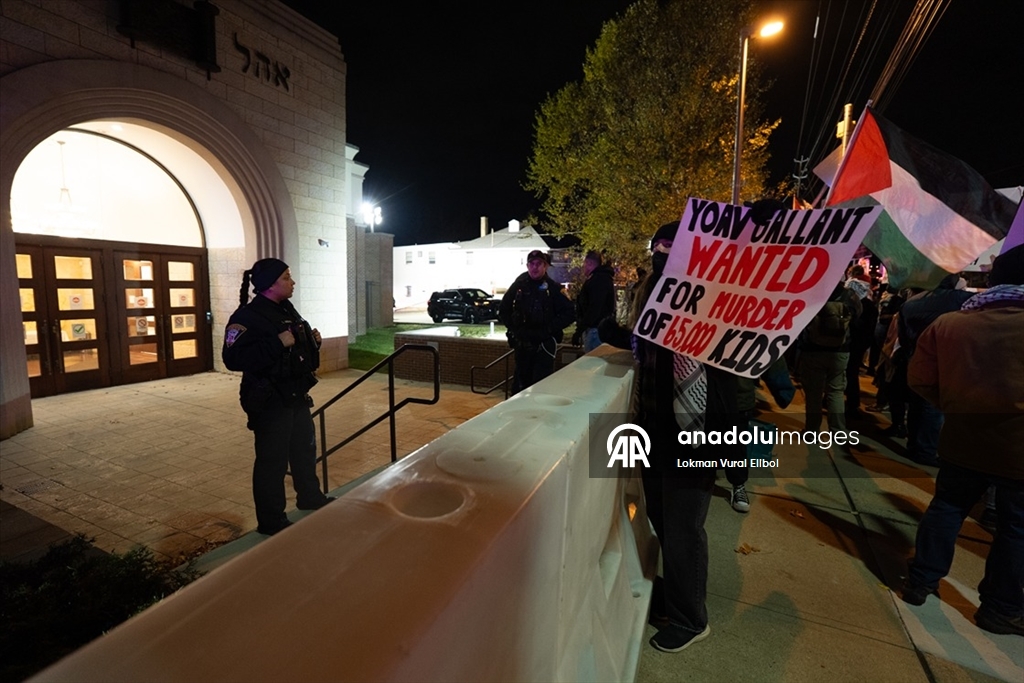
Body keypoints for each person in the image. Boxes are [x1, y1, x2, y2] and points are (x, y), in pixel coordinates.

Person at [601, 221, 743, 653]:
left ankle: (691, 618)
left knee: (683, 530)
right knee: (662, 522)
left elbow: (730, 373)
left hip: (696, 437)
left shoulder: (715, 303)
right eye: (657, 249)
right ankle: (678, 596)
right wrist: (614, 332)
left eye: (670, 248)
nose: (661, 256)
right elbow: (652, 346)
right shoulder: (653, 301)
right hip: (654, 432)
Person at [902, 245, 1024, 637]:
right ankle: (1001, 607)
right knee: (1015, 528)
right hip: (1018, 452)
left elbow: (920, 380)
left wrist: (956, 404)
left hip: (961, 438)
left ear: (992, 279)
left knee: (947, 508)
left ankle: (921, 581)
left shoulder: (951, 324)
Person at [222, 258, 333, 535]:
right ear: (270, 284)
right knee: (272, 462)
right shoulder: (247, 316)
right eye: (286, 277)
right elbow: (232, 358)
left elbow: (294, 348)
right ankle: (271, 520)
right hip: (270, 400)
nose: (292, 282)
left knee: (304, 451)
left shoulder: (286, 309)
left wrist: (312, 342)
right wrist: (276, 342)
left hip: (295, 395)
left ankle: (310, 497)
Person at [897, 273, 972, 466]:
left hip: (916, 357)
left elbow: (903, 337)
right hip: (943, 358)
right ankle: (926, 451)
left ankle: (913, 446)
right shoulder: (962, 300)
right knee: (933, 408)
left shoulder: (911, 303)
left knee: (916, 405)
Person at [498, 249, 575, 394]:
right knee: (520, 388)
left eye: (538, 263)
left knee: (541, 388)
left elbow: (570, 313)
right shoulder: (519, 286)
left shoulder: (553, 288)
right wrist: (515, 330)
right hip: (523, 344)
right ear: (527, 266)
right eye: (531, 264)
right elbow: (503, 309)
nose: (535, 267)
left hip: (543, 345)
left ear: (545, 266)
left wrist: (548, 330)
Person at [798, 279, 861, 435]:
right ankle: (838, 430)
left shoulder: (813, 292)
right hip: (840, 351)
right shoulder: (849, 295)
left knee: (814, 394)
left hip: (813, 350)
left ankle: (812, 430)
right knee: (836, 392)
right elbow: (858, 317)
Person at [844, 265, 877, 416]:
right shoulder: (870, 306)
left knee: (849, 373)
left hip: (852, 344)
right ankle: (851, 401)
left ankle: (852, 403)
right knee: (851, 372)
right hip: (860, 344)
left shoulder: (856, 306)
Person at [572, 250, 617, 352]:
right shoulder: (603, 278)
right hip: (599, 329)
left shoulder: (597, 280)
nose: (584, 267)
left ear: (590, 263)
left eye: (585, 264)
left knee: (591, 364)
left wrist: (580, 330)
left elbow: (594, 308)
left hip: (595, 331)